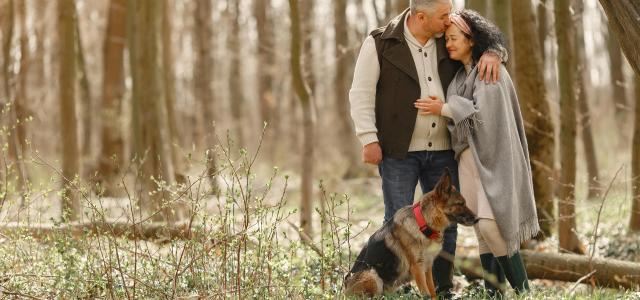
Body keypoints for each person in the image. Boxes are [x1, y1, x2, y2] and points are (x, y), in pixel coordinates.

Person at [349, 0, 507, 297]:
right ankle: (399, 286)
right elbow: (361, 92)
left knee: (446, 221)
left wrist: (496, 52)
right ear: (421, 17)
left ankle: (443, 290)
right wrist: (368, 137)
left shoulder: (445, 36)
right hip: (398, 151)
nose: (450, 21)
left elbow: (484, 37)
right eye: (445, 16)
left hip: (445, 149)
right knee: (397, 220)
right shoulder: (380, 42)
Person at [414, 9, 539, 296]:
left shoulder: (489, 71)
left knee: (492, 227)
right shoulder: (460, 77)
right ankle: (492, 293)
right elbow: (464, 117)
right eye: (446, 39)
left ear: (472, 40)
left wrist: (444, 108)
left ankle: (524, 292)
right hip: (468, 161)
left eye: (454, 38)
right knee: (481, 232)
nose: (449, 44)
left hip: (493, 160)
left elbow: (485, 120)